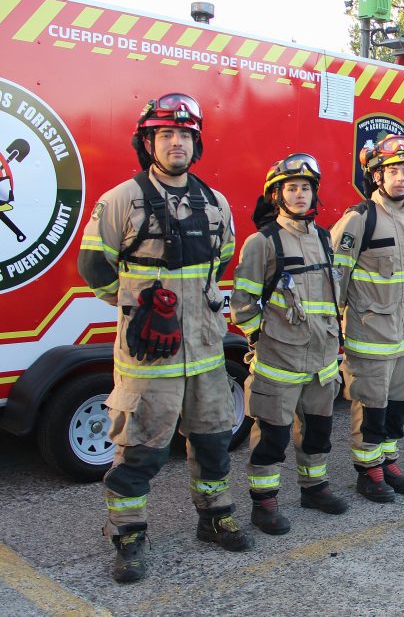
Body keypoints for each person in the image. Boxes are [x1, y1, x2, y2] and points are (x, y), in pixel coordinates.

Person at [78, 93, 251, 583]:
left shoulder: (214, 202)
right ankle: (128, 536)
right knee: (141, 451)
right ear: (148, 142)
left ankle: (215, 517)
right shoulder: (120, 200)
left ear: (196, 145)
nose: (176, 143)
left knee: (215, 441)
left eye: (185, 136)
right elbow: (93, 265)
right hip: (148, 359)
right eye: (166, 134)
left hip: (205, 354)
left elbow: (223, 259)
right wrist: (134, 307)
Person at [230, 154, 348, 535]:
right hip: (279, 361)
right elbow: (243, 304)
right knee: (272, 437)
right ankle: (264, 504)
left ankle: (314, 488)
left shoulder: (324, 238)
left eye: (306, 188)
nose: (300, 195)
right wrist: (261, 340)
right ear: (276, 195)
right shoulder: (263, 242)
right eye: (291, 188)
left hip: (322, 362)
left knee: (317, 432)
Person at [330, 135, 404, 502]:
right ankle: (368, 471)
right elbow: (336, 277)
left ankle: (387, 459)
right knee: (371, 406)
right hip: (369, 335)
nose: (400, 178)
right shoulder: (359, 220)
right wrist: (331, 328)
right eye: (392, 171)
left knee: (400, 402)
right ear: (377, 176)